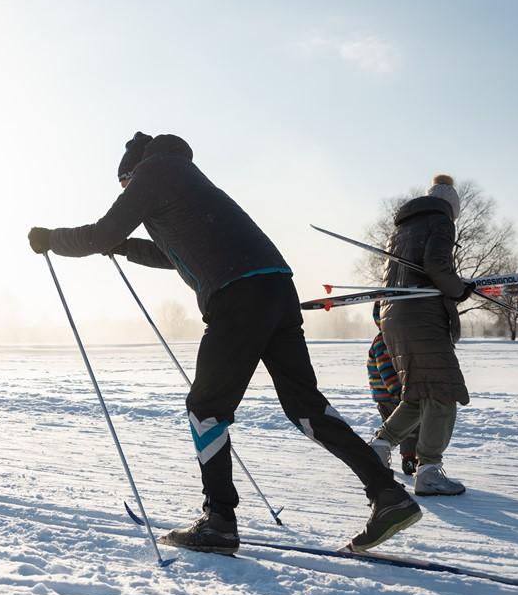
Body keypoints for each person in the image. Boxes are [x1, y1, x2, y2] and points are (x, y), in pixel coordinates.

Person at [28, 132, 420, 554]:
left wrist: (52, 239)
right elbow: (172, 252)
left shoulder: (152, 171)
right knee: (305, 406)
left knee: (206, 409)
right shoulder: (189, 179)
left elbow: (101, 233)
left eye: (124, 187)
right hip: (275, 287)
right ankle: (387, 495)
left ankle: (219, 521)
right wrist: (125, 248)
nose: (127, 194)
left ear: (130, 174)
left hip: (236, 296)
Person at [368, 174, 472, 496]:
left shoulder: (401, 228)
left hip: (392, 316)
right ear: (451, 206)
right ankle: (428, 471)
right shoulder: (441, 221)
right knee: (442, 393)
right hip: (422, 317)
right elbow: (437, 266)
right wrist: (459, 290)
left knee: (418, 393)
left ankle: (378, 448)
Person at [367, 302, 419, 475]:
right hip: (388, 395)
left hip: (395, 394)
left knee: (405, 428)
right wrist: (397, 390)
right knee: (401, 428)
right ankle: (386, 455)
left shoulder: (396, 338)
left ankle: (408, 458)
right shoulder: (383, 339)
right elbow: (385, 368)